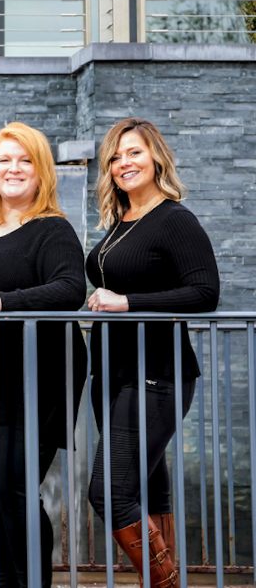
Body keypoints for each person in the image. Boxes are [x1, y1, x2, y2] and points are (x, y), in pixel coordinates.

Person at [0, 122, 87, 588]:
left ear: (41, 170)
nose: (13, 168)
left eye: (25, 160)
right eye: (3, 160)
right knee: (5, 492)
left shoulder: (53, 228)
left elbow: (70, 290)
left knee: (16, 489)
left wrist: (5, 300)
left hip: (38, 377)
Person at [86, 117, 219, 588]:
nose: (124, 163)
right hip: (112, 375)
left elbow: (205, 293)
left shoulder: (174, 219)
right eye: (115, 157)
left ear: (156, 157)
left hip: (155, 374)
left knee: (109, 492)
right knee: (148, 490)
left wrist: (127, 302)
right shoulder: (120, 222)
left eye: (134, 152)